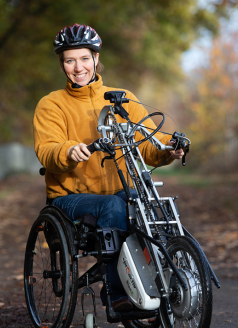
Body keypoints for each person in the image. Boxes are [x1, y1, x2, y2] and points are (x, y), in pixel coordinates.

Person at [32, 23, 184, 312]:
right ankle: (116, 295)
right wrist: (69, 150)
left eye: (85, 59)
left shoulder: (122, 98)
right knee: (113, 207)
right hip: (69, 197)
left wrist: (170, 149)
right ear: (62, 63)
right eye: (70, 60)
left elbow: (148, 142)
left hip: (119, 191)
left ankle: (165, 281)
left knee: (149, 204)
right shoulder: (51, 105)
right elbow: (47, 149)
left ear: (96, 59)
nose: (78, 67)